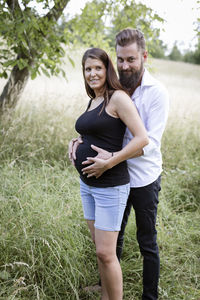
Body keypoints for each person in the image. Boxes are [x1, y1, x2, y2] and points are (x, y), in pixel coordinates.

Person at [69, 29, 169, 300]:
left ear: (143, 57)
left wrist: (111, 160)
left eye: (131, 59)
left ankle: (149, 296)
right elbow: (104, 127)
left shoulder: (155, 93)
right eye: (121, 59)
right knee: (113, 240)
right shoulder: (113, 89)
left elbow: (148, 142)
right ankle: (106, 288)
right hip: (113, 175)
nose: (126, 65)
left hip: (142, 177)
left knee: (147, 241)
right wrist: (79, 141)